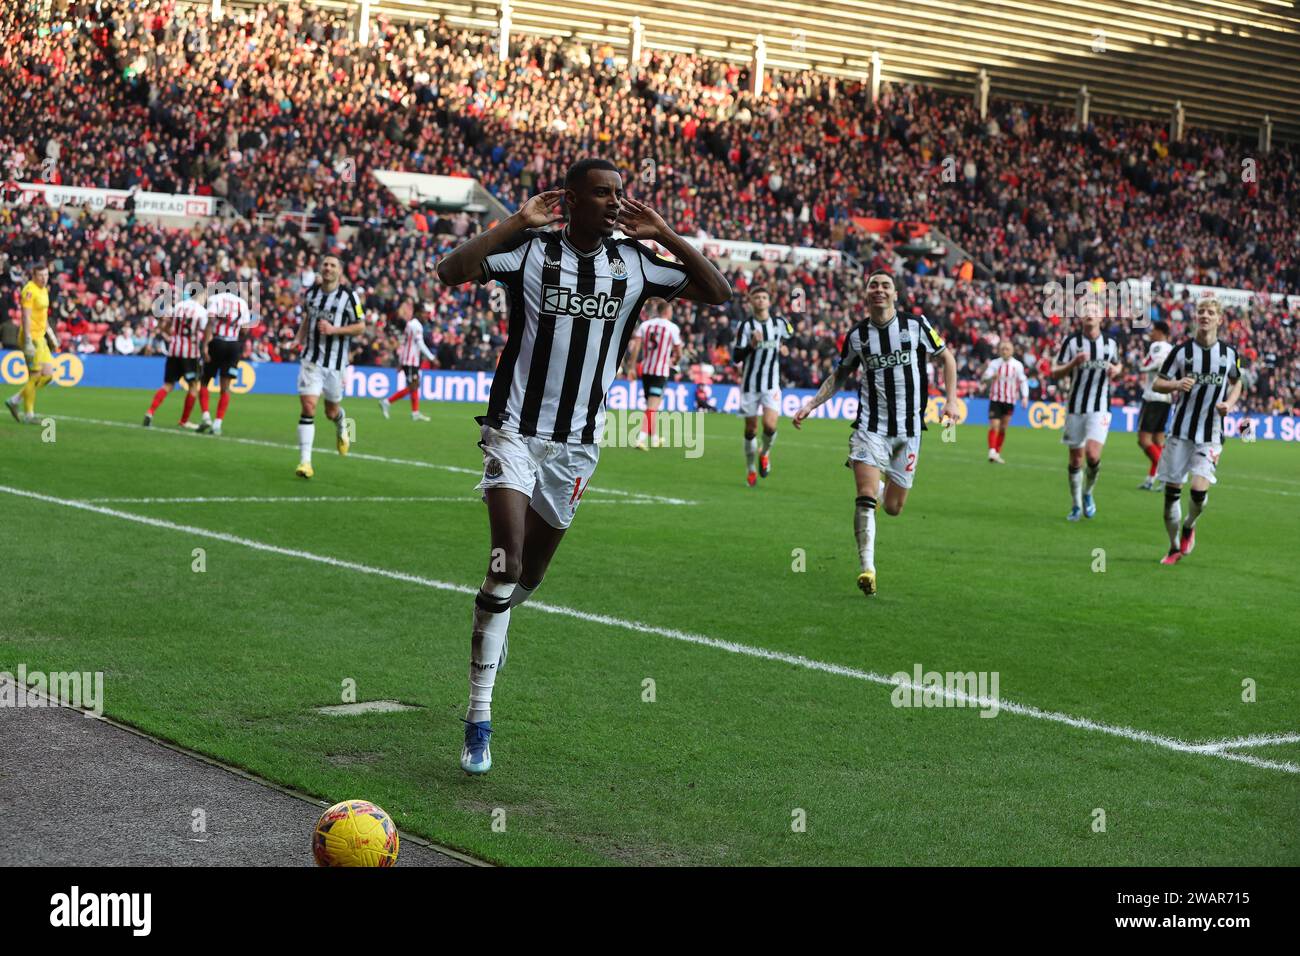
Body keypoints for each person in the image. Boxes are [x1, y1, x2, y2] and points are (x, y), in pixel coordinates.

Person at [435, 157, 730, 774]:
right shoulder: (531, 250)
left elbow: (718, 293)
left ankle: (491, 629)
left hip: (577, 445)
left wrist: (667, 235)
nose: (614, 202)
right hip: (513, 431)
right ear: (571, 199)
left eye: (618, 193)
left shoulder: (635, 262)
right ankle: (479, 717)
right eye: (600, 193)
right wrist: (514, 220)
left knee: (530, 576)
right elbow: (451, 271)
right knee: (506, 562)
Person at [792, 271, 958, 597]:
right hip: (871, 426)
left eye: (885, 286)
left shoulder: (916, 325)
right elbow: (839, 376)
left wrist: (951, 401)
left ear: (895, 293)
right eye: (873, 286)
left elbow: (946, 358)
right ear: (866, 294)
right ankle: (867, 568)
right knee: (865, 496)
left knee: (894, 507)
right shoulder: (857, 336)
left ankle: (872, 478)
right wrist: (811, 403)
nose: (879, 290)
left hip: (909, 431)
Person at [1151, 299, 1243, 565]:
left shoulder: (1229, 353)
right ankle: (1172, 547)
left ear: (1219, 319)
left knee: (1198, 494)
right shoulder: (1181, 352)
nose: (1205, 315)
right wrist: (1177, 384)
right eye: (1201, 311)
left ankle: (1189, 526)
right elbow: (1158, 383)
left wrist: (1229, 403)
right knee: (1170, 498)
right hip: (1180, 432)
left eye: (1210, 312)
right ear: (1195, 317)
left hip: (1211, 433)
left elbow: (1238, 383)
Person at [1049, 301, 1122, 520]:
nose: (1090, 314)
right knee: (1075, 460)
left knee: (1092, 454)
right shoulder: (1071, 342)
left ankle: (1088, 493)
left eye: (1094, 311)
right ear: (1081, 317)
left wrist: (1116, 370)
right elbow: (1055, 373)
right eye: (1086, 311)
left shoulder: (1110, 343)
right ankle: (1076, 504)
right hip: (1075, 407)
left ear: (1101, 317)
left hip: (1100, 407)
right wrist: (1073, 364)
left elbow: (1118, 364)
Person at [294, 256, 365, 478]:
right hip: (311, 360)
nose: (328, 268)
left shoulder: (349, 296)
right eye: (325, 264)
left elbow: (360, 327)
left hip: (336, 364)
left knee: (331, 411)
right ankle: (305, 462)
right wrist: (299, 339)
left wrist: (334, 330)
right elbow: (307, 318)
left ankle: (342, 422)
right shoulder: (311, 294)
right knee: (308, 406)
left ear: (340, 271)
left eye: (333, 265)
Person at [732, 288, 792, 485]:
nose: (760, 300)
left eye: (764, 297)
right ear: (750, 301)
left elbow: (792, 336)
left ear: (769, 301)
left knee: (770, 425)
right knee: (751, 429)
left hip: (771, 384)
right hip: (749, 385)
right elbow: (736, 358)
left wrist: (784, 348)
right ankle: (750, 469)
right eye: (756, 297)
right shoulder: (746, 326)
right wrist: (751, 345)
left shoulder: (780, 323)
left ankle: (764, 453)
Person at [142, 293, 208, 428]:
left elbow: (165, 324)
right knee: (193, 387)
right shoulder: (201, 311)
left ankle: (150, 412)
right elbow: (205, 329)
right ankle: (184, 420)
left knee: (168, 385)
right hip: (190, 353)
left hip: (174, 350)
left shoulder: (177, 307)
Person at [624, 299, 682, 449]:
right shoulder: (672, 328)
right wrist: (675, 360)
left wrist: (631, 367)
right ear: (667, 312)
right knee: (652, 406)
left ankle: (655, 438)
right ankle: (640, 438)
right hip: (660, 372)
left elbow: (636, 348)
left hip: (646, 370)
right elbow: (679, 352)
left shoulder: (645, 325)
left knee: (652, 406)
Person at [5, 265, 59, 424]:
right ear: (34, 276)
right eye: (41, 275)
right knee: (35, 375)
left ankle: (15, 399)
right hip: (31, 338)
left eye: (46, 275)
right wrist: (28, 340)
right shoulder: (29, 290)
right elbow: (26, 317)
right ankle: (29, 415)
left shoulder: (44, 290)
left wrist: (51, 334)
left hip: (41, 337)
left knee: (48, 375)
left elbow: (42, 316)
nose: (44, 278)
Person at [198, 282, 252, 436]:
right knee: (226, 387)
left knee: (204, 381)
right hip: (233, 345)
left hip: (217, 342)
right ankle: (217, 424)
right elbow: (245, 329)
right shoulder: (242, 303)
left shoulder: (216, 299)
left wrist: (206, 346)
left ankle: (206, 416)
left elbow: (210, 323)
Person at [378, 298, 435, 422]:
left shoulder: (412, 324)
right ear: (419, 312)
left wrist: (400, 361)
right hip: (410, 361)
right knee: (413, 385)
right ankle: (387, 401)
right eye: (425, 313)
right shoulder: (416, 325)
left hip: (409, 360)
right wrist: (432, 357)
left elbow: (404, 342)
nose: (427, 316)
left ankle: (415, 413)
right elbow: (420, 344)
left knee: (415, 385)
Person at [1135, 320, 1173, 490]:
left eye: (1153, 331)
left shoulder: (1158, 346)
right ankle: (1153, 480)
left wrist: (1142, 370)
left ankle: (1166, 473)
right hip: (1165, 398)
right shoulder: (1171, 348)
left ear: (1159, 332)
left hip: (1154, 397)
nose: (1151, 334)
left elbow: (1159, 364)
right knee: (1158, 440)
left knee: (1144, 440)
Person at [980, 338, 1028, 463]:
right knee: (994, 425)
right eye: (1002, 349)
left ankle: (996, 452)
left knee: (1003, 428)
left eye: (1007, 349)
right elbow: (984, 379)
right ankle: (991, 450)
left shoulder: (1017, 365)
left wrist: (1025, 397)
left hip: (1010, 400)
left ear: (1012, 351)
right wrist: (991, 377)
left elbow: (1023, 382)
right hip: (996, 398)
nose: (1004, 351)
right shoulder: (995, 363)